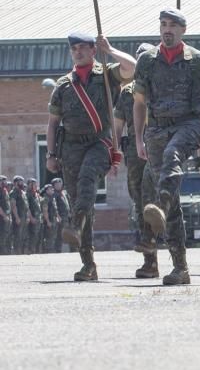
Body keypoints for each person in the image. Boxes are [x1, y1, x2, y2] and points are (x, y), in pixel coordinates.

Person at [134, 9, 200, 286]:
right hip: (156, 129)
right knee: (172, 205)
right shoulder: (147, 61)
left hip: (188, 125)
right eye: (163, 24)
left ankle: (158, 204)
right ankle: (180, 267)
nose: (167, 29)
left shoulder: (198, 60)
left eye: (173, 25)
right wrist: (138, 138)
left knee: (172, 156)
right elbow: (139, 103)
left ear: (183, 30)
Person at [46, 32, 136, 280]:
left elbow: (133, 68)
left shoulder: (106, 75)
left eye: (83, 48)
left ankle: (74, 223)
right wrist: (50, 154)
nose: (78, 52)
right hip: (70, 148)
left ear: (92, 51)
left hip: (99, 143)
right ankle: (88, 264)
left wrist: (110, 50)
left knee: (88, 180)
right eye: (74, 49)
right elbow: (53, 123)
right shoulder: (63, 85)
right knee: (79, 200)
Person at [115, 42, 157, 277]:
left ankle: (177, 258)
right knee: (140, 202)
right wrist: (114, 151)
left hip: (158, 147)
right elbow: (118, 125)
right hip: (134, 152)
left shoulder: (162, 86)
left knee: (156, 200)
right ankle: (150, 260)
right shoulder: (127, 92)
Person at [9, 176, 28, 255]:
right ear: (15, 182)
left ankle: (21, 253)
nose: (22, 183)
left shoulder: (22, 192)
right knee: (17, 236)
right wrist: (16, 217)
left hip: (23, 217)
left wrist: (27, 216)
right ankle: (17, 253)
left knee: (23, 236)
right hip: (18, 217)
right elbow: (13, 206)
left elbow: (26, 206)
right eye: (20, 181)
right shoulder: (13, 193)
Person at [51, 177, 70, 253]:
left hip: (66, 217)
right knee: (59, 234)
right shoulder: (54, 194)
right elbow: (54, 207)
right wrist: (57, 216)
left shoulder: (63, 193)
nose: (59, 185)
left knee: (64, 234)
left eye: (60, 184)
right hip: (60, 217)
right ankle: (57, 250)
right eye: (57, 184)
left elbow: (67, 204)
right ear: (54, 186)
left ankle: (61, 249)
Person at [26, 178, 42, 254]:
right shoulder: (28, 194)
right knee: (31, 235)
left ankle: (34, 250)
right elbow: (27, 207)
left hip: (38, 218)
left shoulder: (35, 194)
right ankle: (30, 250)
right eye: (34, 184)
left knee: (37, 236)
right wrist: (31, 217)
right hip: (31, 218)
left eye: (36, 184)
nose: (36, 186)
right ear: (29, 185)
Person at [40, 183, 57, 254]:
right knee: (48, 237)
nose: (52, 190)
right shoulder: (45, 199)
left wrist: (57, 217)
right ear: (46, 191)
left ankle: (50, 250)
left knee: (52, 236)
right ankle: (48, 251)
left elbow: (55, 209)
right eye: (50, 189)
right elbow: (45, 211)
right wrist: (48, 221)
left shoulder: (51, 198)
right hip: (48, 220)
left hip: (52, 219)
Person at [0, 175, 9, 255]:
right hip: (1, 216)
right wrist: (4, 215)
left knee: (4, 233)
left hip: (4, 217)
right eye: (3, 181)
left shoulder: (4, 191)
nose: (4, 183)